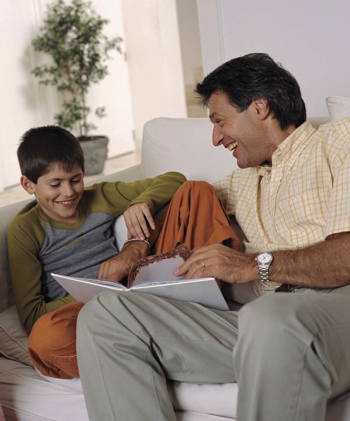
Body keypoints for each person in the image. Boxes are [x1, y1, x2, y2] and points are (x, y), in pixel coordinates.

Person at [76, 52, 350, 421]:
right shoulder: (244, 180)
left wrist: (254, 265)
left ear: (260, 107)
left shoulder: (339, 142)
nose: (216, 137)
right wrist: (135, 245)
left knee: (271, 318)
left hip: (334, 310)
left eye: (220, 121)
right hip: (262, 329)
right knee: (104, 316)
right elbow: (176, 206)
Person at [8, 125, 239, 379]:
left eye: (75, 180)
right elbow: (32, 317)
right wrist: (99, 284)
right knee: (44, 340)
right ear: (28, 185)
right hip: (87, 314)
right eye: (55, 184)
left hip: (141, 290)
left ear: (83, 173)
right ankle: (170, 350)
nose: (69, 192)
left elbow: (175, 179)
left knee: (197, 191)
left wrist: (141, 205)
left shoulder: (99, 197)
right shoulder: (24, 229)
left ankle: (160, 347)